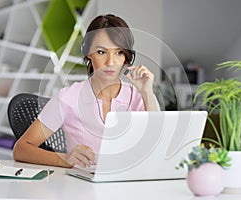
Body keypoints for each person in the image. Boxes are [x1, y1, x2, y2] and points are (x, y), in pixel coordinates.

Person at [13, 14, 159, 168]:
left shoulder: (139, 97)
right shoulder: (68, 97)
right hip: (81, 188)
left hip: (129, 185)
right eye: (101, 52)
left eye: (119, 52)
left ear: (126, 56)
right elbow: (21, 149)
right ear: (88, 52)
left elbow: (157, 149)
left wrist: (147, 93)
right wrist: (65, 159)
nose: (110, 62)